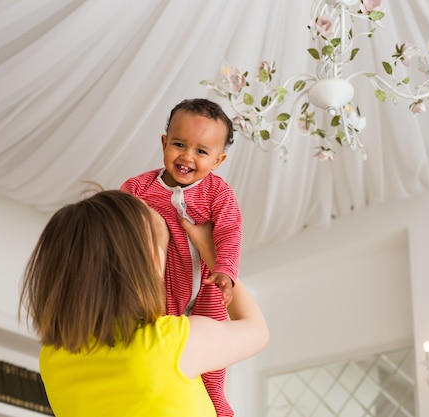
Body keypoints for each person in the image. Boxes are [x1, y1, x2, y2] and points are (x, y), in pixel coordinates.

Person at [19, 189, 269, 417]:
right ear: (142, 266)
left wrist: (158, 240)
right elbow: (256, 330)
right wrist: (213, 255)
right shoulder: (171, 343)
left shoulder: (52, 359)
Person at [120, 98, 240, 416]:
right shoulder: (137, 188)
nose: (187, 157)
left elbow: (229, 231)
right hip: (163, 287)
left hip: (208, 288)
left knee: (213, 358)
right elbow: (120, 232)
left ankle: (217, 407)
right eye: (179, 144)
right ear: (164, 143)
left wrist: (225, 271)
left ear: (217, 160)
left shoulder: (218, 193)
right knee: (159, 342)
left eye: (201, 151)